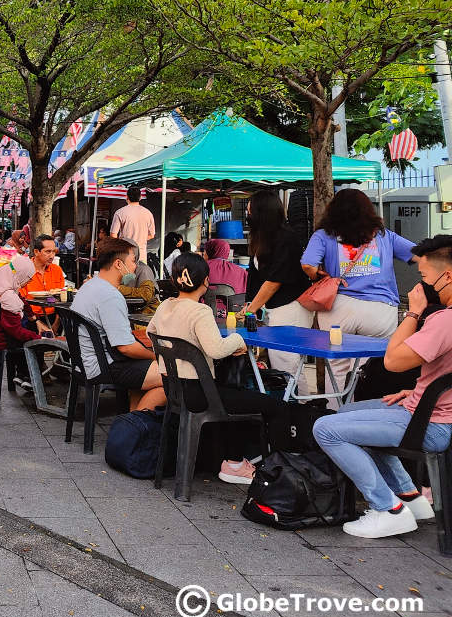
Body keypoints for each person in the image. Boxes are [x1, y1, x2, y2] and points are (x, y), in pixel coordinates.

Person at [313, 234, 452, 538]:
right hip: (431, 409)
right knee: (348, 411)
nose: (420, 286)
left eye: (425, 277)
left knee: (325, 428)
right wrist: (425, 391)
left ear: (448, 276)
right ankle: (409, 498)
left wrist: (414, 312)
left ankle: (388, 509)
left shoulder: (444, 320)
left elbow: (393, 360)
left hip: (430, 423)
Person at [149, 252, 288, 485]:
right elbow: (216, 349)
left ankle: (232, 461)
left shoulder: (165, 306)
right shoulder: (200, 311)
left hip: (176, 391)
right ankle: (275, 474)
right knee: (274, 406)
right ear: (205, 281)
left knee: (234, 393)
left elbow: (153, 334)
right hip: (200, 395)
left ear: (175, 280)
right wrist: (238, 341)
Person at [301, 188, 415, 392]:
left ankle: (334, 414)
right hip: (379, 310)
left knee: (336, 366)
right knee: (371, 366)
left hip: (338, 308)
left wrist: (320, 276)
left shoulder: (324, 235)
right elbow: (418, 254)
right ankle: (366, 411)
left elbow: (308, 264)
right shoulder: (383, 236)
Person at [69, 237, 165, 411]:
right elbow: (126, 347)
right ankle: (134, 426)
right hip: (104, 365)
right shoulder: (110, 295)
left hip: (86, 361)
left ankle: (135, 419)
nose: (136, 267)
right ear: (119, 264)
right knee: (173, 374)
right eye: (133, 261)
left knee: (149, 375)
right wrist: (155, 356)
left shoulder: (89, 286)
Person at [240, 190, 313, 391]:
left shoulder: (286, 238)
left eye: (250, 210)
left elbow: (274, 280)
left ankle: (299, 407)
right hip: (274, 308)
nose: (248, 214)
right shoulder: (261, 238)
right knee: (279, 361)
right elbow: (255, 276)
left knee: (287, 362)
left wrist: (251, 309)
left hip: (291, 307)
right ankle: (288, 405)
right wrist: (250, 303)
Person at [0, 255, 45, 392]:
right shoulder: (8, 296)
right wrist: (40, 338)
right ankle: (31, 378)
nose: (29, 281)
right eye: (28, 278)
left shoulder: (0, 280)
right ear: (21, 274)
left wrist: (33, 317)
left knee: (28, 329)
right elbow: (15, 331)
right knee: (35, 342)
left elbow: (21, 300)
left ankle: (21, 374)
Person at [20, 235, 66, 330]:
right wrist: (36, 321)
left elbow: (62, 299)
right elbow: (21, 301)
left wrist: (56, 323)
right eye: (48, 252)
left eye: (54, 252)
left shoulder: (57, 270)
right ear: (36, 252)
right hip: (31, 318)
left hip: (54, 317)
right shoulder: (24, 270)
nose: (52, 256)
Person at [111, 187, 157, 263]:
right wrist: (140, 238)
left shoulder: (120, 212)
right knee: (140, 274)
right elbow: (152, 235)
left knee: (125, 275)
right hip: (141, 256)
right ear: (140, 197)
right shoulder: (148, 213)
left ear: (127, 197)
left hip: (125, 254)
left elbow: (113, 235)